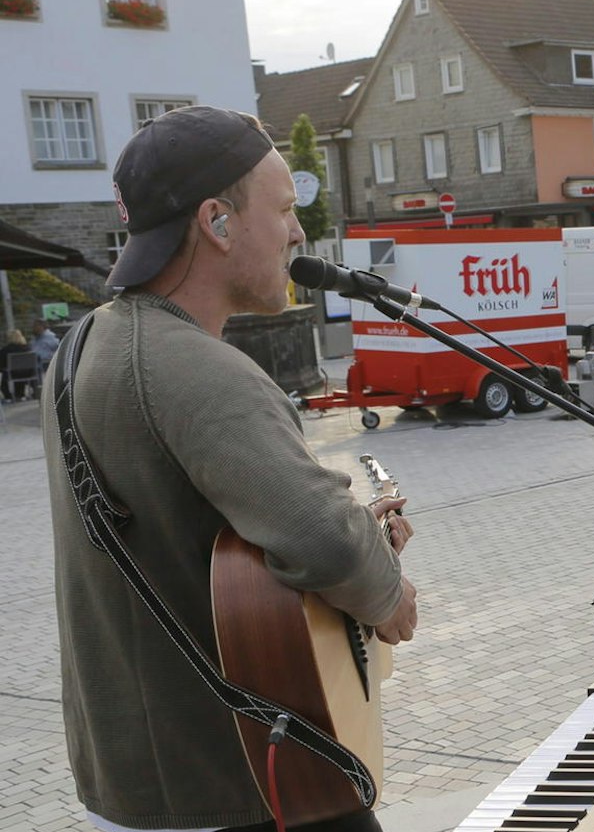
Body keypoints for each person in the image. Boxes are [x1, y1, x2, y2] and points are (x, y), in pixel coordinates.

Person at [45, 106, 417, 832]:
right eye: (283, 209)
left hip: (139, 780)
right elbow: (326, 542)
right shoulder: (197, 368)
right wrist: (389, 592)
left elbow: (193, 549)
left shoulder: (84, 343)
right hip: (237, 781)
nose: (298, 232)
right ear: (217, 222)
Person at [0, 327, 28, 401]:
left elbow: (1, 364)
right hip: (27, 373)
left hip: (11, 373)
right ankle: (21, 395)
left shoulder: (5, 350)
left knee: (5, 374)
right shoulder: (27, 348)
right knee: (20, 372)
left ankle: (8, 397)